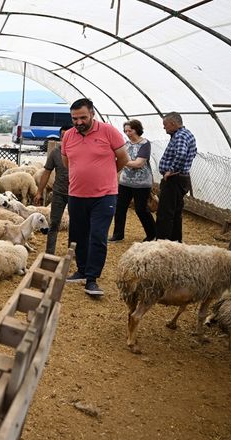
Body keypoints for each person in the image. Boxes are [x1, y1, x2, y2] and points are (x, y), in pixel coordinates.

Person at [61, 98, 129, 297]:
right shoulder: (68, 136)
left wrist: (107, 175)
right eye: (74, 119)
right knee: (77, 235)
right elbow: (67, 162)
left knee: (98, 235)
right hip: (77, 194)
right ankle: (81, 270)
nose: (78, 122)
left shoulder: (108, 131)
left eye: (83, 117)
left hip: (104, 195)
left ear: (92, 114)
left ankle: (92, 279)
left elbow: (123, 158)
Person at [109, 119, 157, 242]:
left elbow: (139, 163)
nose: (127, 133)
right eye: (126, 131)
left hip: (141, 183)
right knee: (120, 208)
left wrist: (123, 161)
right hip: (125, 182)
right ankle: (118, 235)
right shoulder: (126, 144)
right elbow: (118, 156)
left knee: (141, 209)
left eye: (130, 130)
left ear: (137, 130)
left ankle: (152, 234)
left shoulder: (145, 144)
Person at [156, 112, 197, 242]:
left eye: (165, 124)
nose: (164, 127)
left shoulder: (180, 136)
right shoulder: (187, 134)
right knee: (175, 212)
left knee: (165, 213)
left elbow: (181, 154)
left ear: (173, 123)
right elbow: (192, 153)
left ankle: (162, 243)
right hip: (181, 178)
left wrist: (171, 170)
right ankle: (175, 242)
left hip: (174, 179)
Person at [33, 125, 72, 255]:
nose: (65, 138)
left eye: (68, 135)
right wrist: (39, 192)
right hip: (59, 193)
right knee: (54, 223)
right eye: (62, 136)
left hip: (76, 194)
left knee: (75, 225)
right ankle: (49, 252)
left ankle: (72, 252)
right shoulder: (55, 153)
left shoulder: (79, 152)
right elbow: (47, 172)